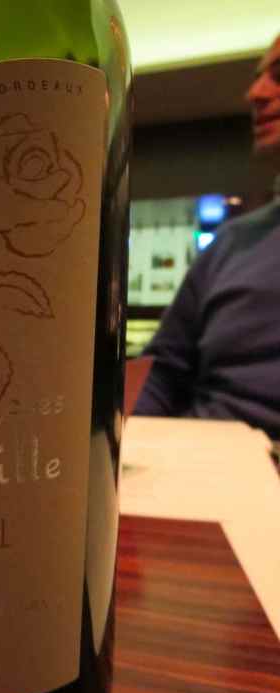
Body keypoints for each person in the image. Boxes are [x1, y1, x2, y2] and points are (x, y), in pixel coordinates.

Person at [134, 35, 280, 440]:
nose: (255, 93)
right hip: (205, 457)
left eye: (279, 75)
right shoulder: (231, 242)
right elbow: (162, 371)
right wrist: (122, 444)